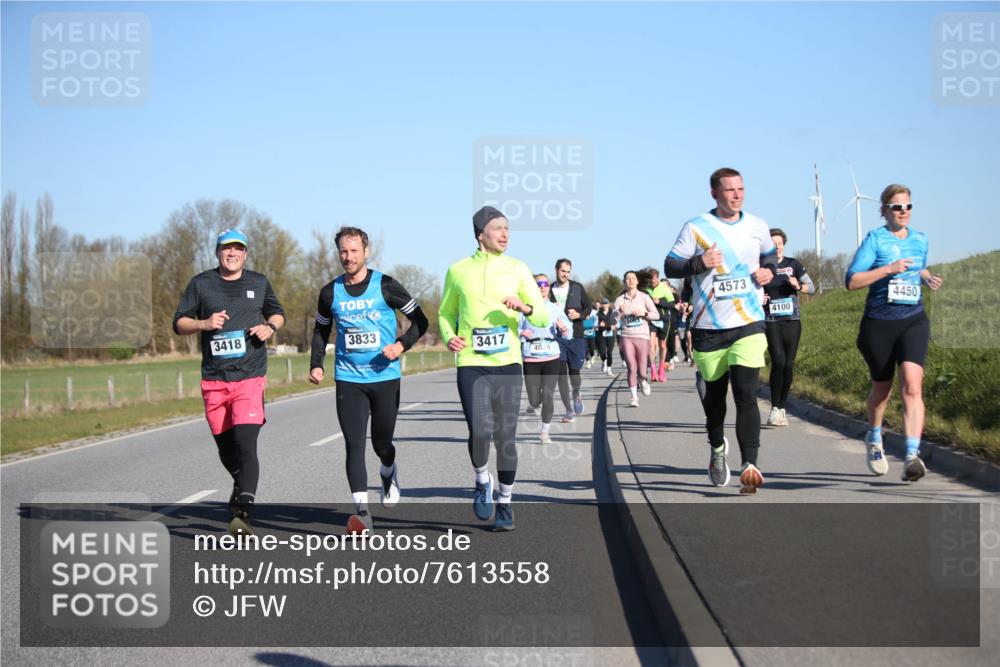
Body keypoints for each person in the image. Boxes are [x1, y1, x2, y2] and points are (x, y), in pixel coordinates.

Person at [309, 226, 428, 533]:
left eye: (354, 251)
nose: (348, 258)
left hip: (385, 376)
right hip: (348, 378)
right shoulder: (329, 292)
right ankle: (362, 512)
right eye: (343, 252)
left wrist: (401, 345)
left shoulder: (386, 286)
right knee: (353, 444)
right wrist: (317, 364)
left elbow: (421, 320)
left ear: (366, 251)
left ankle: (388, 470)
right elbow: (321, 330)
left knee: (382, 442)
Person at [664, 167, 776, 494]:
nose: (737, 195)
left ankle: (750, 463)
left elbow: (769, 256)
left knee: (746, 393)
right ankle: (717, 447)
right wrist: (700, 263)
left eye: (741, 188)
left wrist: (769, 271)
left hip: (749, 322)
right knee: (715, 401)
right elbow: (671, 265)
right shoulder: (696, 228)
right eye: (729, 190)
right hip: (708, 326)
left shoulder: (757, 226)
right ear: (714, 193)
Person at [439, 206, 548, 531]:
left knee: (505, 437)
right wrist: (448, 337)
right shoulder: (457, 270)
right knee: (480, 433)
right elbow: (445, 313)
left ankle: (505, 502)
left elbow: (542, 316)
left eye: (508, 229)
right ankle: (481, 479)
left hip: (508, 363)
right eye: (498, 228)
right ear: (480, 234)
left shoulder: (518, 269)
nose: (505, 234)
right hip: (472, 363)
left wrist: (524, 306)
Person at [173, 229, 285, 535]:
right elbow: (179, 322)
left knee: (245, 443)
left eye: (238, 249)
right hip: (214, 380)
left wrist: (270, 327)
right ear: (218, 252)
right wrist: (204, 323)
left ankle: (242, 513)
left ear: (245, 253)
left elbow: (277, 312)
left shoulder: (259, 282)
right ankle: (242, 484)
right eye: (226, 249)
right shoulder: (201, 284)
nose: (232, 254)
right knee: (226, 450)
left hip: (250, 376)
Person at [846, 184, 943, 482]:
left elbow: (918, 267)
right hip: (879, 324)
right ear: (884, 210)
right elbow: (852, 280)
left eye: (908, 206)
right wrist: (888, 269)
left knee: (913, 385)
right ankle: (874, 436)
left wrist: (926, 277)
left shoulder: (920, 240)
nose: (903, 212)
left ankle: (912, 455)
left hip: (913, 319)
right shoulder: (875, 240)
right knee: (882, 389)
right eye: (897, 207)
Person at [763, 228, 814, 427]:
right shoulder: (764, 267)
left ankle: (782, 407)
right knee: (778, 360)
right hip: (772, 320)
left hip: (792, 320)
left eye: (779, 243)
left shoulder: (794, 265)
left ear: (784, 244)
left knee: (789, 364)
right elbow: (753, 288)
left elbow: (811, 287)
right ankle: (774, 407)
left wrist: (798, 286)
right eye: (772, 243)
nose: (776, 246)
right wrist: (761, 297)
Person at [520, 274, 572, 444]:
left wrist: (564, 329)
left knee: (548, 394)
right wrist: (521, 333)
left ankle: (544, 432)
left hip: (551, 355)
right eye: (538, 284)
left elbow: (568, 332)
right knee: (534, 399)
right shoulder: (524, 308)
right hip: (530, 356)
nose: (542, 287)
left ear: (549, 287)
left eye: (545, 284)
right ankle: (536, 403)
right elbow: (513, 328)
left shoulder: (555, 308)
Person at [550, 258, 592, 420]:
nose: (565, 274)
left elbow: (588, 307)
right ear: (556, 270)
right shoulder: (549, 290)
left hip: (576, 336)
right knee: (561, 374)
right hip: (557, 338)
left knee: (574, 373)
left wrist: (579, 315)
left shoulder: (577, 287)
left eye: (568, 272)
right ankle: (568, 410)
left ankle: (576, 393)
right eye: (563, 271)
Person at [614, 270, 660, 407]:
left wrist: (644, 313)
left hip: (642, 336)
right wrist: (619, 313)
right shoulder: (619, 299)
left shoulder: (644, 297)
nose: (630, 280)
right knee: (631, 367)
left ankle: (643, 380)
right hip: (627, 336)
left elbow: (656, 315)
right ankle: (634, 397)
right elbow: (612, 320)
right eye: (627, 278)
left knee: (641, 368)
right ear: (624, 282)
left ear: (637, 281)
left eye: (633, 278)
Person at [643, 268, 676, 381]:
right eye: (649, 279)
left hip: (664, 320)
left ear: (657, 278)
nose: (651, 281)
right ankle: (653, 370)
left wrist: (660, 302)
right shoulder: (646, 289)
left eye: (653, 279)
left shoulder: (664, 288)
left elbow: (672, 304)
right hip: (651, 320)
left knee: (662, 345)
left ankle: (661, 369)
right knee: (651, 345)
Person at [596, 297, 617, 375]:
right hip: (601, 335)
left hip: (610, 335)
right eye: (603, 304)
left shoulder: (613, 313)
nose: (604, 305)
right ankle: (604, 361)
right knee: (602, 353)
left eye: (606, 304)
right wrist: (599, 325)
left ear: (608, 304)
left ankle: (609, 369)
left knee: (609, 353)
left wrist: (606, 325)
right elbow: (595, 325)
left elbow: (615, 324)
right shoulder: (598, 314)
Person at [583, 303, 599, 368]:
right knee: (585, 350)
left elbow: (596, 321)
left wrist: (595, 326)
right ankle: (587, 362)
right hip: (584, 337)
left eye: (587, 314)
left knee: (592, 349)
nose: (586, 315)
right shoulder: (582, 320)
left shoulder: (592, 319)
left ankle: (592, 356)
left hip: (592, 336)